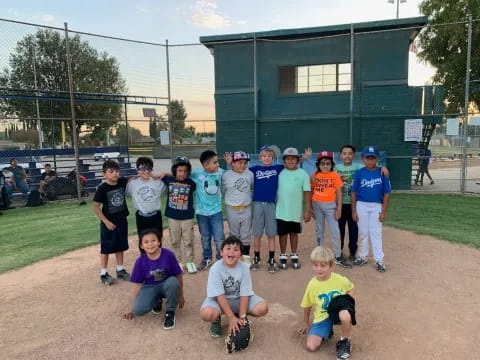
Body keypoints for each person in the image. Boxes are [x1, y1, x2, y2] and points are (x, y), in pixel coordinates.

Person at [249, 145, 312, 273]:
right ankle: (257, 257)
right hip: (261, 205)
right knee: (259, 233)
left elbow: (292, 163)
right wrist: (230, 163)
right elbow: (242, 169)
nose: (266, 158)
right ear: (260, 158)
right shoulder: (256, 169)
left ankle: (276, 258)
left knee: (277, 233)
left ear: (273, 158)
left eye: (269, 156)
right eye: (264, 156)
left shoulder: (277, 168)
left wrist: (303, 158)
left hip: (275, 206)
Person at [200, 236, 268, 338]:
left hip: (238, 299)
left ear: (240, 254)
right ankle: (216, 319)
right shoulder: (215, 269)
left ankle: (239, 314)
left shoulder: (244, 268)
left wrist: (242, 317)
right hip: (219, 300)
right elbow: (219, 295)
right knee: (207, 313)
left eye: (236, 249)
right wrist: (230, 318)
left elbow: (245, 294)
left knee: (262, 307)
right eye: (228, 248)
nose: (231, 252)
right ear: (221, 252)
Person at [300, 246, 355, 359]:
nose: (318, 269)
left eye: (323, 265)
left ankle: (345, 342)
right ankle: (328, 330)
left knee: (345, 314)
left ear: (331, 266)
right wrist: (306, 323)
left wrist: (348, 301)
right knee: (311, 346)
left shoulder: (340, 280)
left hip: (338, 312)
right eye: (315, 265)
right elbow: (307, 305)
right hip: (323, 316)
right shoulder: (312, 285)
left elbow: (352, 288)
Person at [124, 228, 184, 330]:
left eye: (153, 240)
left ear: (159, 242)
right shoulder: (140, 261)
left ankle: (170, 312)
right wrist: (132, 307)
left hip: (167, 285)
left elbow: (179, 275)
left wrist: (181, 295)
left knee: (173, 281)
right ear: (141, 246)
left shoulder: (168, 255)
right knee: (138, 310)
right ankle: (157, 301)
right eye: (146, 242)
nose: (150, 244)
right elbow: (138, 284)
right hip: (150, 286)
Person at [351, 145, 392, 272]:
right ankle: (362, 256)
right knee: (363, 232)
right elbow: (353, 192)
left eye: (372, 158)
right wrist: (353, 210)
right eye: (367, 158)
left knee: (376, 232)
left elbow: (387, 193)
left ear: (377, 159)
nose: (370, 160)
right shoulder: (359, 173)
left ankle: (379, 259)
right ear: (363, 159)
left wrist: (383, 211)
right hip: (361, 205)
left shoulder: (382, 173)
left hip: (376, 206)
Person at [311, 151, 351, 269]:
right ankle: (320, 252)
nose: (325, 166)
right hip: (317, 204)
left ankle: (338, 256)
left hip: (331, 206)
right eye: (322, 163)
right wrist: (310, 208)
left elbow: (339, 192)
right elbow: (311, 192)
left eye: (328, 163)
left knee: (335, 231)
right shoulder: (314, 175)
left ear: (332, 164)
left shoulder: (334, 175)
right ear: (318, 164)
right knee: (319, 229)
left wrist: (339, 208)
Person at [92, 160, 131, 285]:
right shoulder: (102, 188)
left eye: (117, 171)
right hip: (108, 222)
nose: (115, 174)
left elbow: (134, 178)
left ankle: (120, 269)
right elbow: (96, 207)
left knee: (120, 245)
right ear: (104, 174)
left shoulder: (122, 182)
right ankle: (103, 273)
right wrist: (106, 221)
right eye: (111, 171)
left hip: (121, 220)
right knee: (106, 247)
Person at [276, 147, 311, 270]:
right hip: (281, 211)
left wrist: (307, 210)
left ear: (297, 160)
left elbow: (307, 192)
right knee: (283, 234)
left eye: (293, 159)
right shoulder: (280, 173)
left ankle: (294, 254)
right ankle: (283, 255)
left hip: (295, 211)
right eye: (288, 159)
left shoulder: (302, 173)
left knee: (294, 233)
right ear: (284, 161)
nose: (290, 161)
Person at [190, 150, 225, 271]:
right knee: (205, 237)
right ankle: (207, 258)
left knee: (219, 237)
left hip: (216, 212)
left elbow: (232, 176)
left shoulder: (221, 173)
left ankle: (221, 259)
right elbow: (182, 176)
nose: (218, 165)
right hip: (201, 213)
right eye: (215, 162)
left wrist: (231, 164)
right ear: (206, 165)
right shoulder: (197, 174)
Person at [162, 156, 197, 274]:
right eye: (180, 171)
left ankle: (190, 262)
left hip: (187, 218)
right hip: (173, 217)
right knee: (175, 241)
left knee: (188, 240)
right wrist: (165, 174)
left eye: (185, 171)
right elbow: (160, 177)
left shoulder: (191, 183)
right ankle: (177, 262)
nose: (182, 174)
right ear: (174, 171)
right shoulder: (168, 180)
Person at [222, 151, 254, 265]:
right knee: (234, 234)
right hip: (232, 209)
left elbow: (251, 187)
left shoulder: (249, 174)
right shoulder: (226, 175)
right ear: (233, 163)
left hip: (246, 208)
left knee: (246, 233)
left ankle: (245, 257)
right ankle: (234, 256)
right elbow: (223, 190)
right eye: (240, 163)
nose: (243, 165)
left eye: (245, 163)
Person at [334, 145, 362, 262]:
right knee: (339, 228)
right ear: (340, 156)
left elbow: (372, 167)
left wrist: (382, 168)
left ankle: (352, 251)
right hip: (340, 204)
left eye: (350, 153)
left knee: (353, 228)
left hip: (353, 204)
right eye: (344, 153)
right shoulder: (336, 168)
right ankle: (339, 251)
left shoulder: (358, 167)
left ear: (354, 155)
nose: (347, 156)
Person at [126, 157, 166, 235]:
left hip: (156, 216)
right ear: (137, 170)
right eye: (143, 168)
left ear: (152, 169)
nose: (146, 171)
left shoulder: (158, 182)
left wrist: (166, 174)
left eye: (149, 168)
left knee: (157, 239)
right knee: (143, 241)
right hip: (141, 217)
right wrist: (132, 178)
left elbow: (175, 180)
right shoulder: (132, 184)